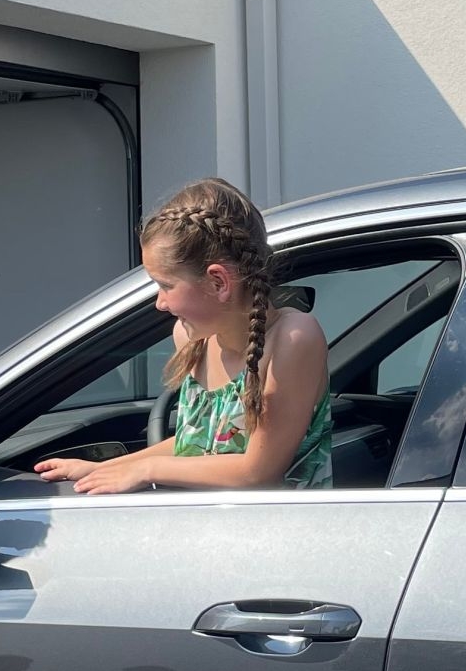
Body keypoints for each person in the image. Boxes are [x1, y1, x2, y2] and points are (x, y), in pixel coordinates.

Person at [35, 178, 332, 493]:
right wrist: (106, 468)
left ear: (218, 282)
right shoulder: (193, 341)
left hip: (281, 533)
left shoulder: (293, 337)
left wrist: (146, 470)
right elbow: (198, 444)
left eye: (165, 285)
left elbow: (257, 471)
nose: (160, 304)